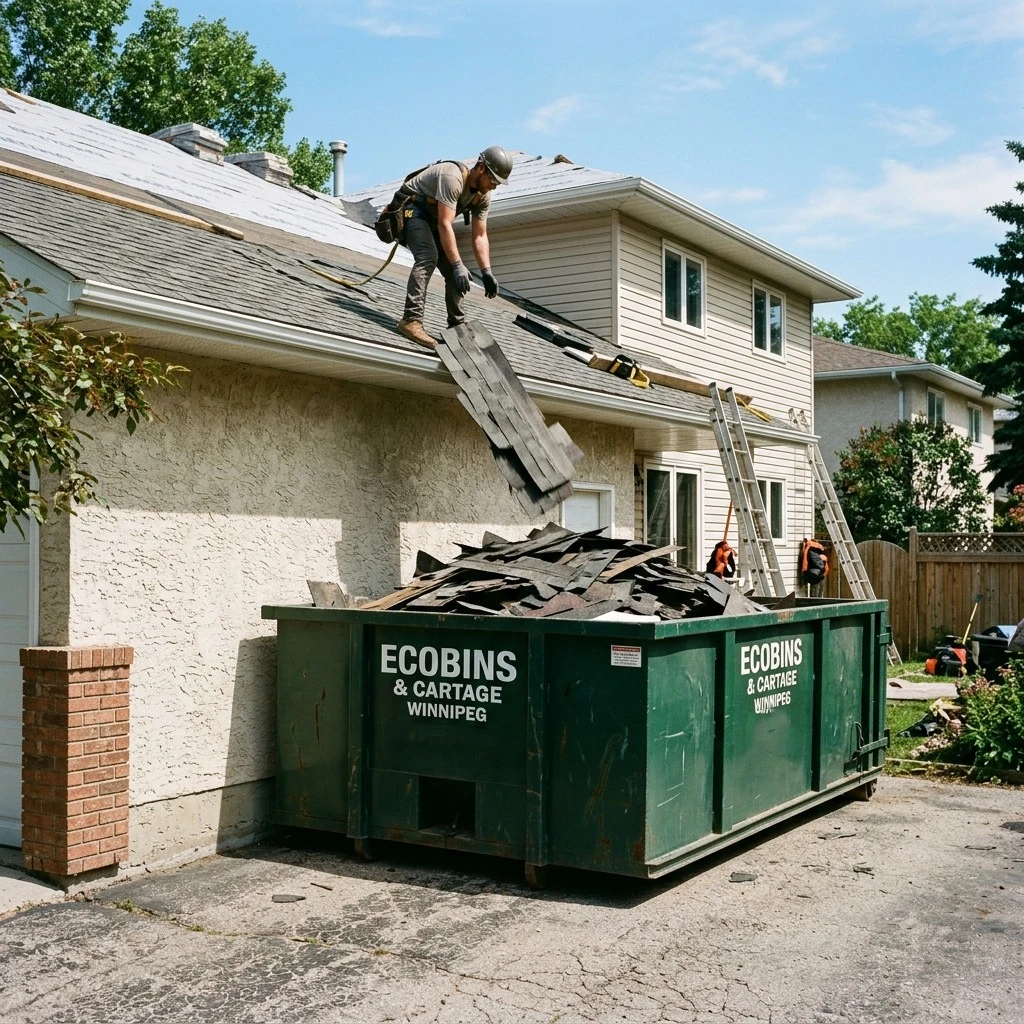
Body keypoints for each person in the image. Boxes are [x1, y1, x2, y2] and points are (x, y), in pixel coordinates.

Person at [394, 146, 513, 349]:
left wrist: (486, 272)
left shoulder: (482, 195)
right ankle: (410, 321)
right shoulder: (453, 177)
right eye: (493, 180)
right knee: (428, 257)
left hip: (433, 221)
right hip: (412, 212)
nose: (494, 187)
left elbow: (480, 235)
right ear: (482, 168)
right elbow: (445, 224)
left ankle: (457, 329)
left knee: (455, 271)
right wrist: (457, 263)